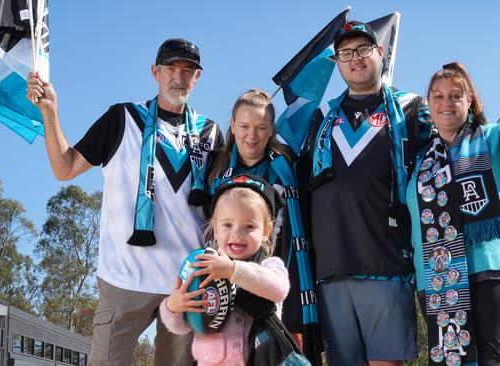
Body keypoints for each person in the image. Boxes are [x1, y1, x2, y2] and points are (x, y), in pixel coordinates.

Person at [27, 38, 223, 365]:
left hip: (185, 284)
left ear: (197, 77)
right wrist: (50, 111)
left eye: (188, 70)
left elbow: (221, 208)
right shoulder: (122, 119)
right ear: (155, 72)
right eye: (171, 68)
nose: (179, 77)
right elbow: (65, 167)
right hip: (125, 281)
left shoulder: (211, 133)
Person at [406, 33, 500, 366]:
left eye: (455, 96)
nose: (446, 103)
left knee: (487, 359)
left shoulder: (495, 138)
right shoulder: (420, 162)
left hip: (493, 269)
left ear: (470, 100)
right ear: (428, 105)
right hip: (437, 277)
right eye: (438, 96)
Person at [295, 21, 430, 366]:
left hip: (386, 261)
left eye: (363, 49)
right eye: (345, 53)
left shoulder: (411, 108)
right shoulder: (321, 117)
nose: (355, 59)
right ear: (337, 62)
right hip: (331, 267)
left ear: (380, 53)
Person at [206, 89, 321, 364]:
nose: (252, 135)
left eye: (261, 127)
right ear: (232, 126)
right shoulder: (216, 173)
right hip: (228, 289)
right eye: (244, 126)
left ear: (272, 130)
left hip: (280, 283)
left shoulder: (288, 167)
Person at [160, 174, 290, 366]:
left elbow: (278, 288)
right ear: (215, 227)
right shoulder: (201, 266)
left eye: (249, 226)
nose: (237, 234)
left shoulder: (270, 265)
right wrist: (173, 306)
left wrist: (232, 270)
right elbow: (180, 326)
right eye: (227, 225)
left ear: (266, 232)